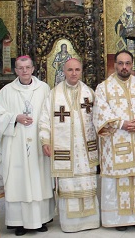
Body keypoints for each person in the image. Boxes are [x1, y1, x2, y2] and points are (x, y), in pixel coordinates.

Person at [93, 50, 135, 230]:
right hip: (116, 139)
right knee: (117, 179)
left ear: (131, 65)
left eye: (127, 63)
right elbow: (100, 111)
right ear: (114, 65)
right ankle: (117, 220)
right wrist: (121, 123)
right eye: (121, 63)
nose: (124, 67)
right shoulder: (104, 87)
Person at [0, 56, 55, 236]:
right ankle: (19, 223)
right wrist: (15, 118)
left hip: (37, 143)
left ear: (33, 69)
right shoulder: (6, 91)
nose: (24, 71)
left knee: (39, 179)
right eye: (20, 68)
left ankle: (41, 219)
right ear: (16, 70)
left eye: (27, 67)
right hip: (16, 144)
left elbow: (50, 113)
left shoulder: (43, 89)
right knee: (18, 181)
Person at [39, 58, 99, 232]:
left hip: (85, 148)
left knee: (87, 182)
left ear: (81, 71)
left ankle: (90, 221)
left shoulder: (89, 93)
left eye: (77, 70)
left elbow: (98, 119)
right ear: (63, 71)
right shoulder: (53, 94)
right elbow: (44, 120)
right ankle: (70, 224)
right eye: (70, 70)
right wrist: (45, 140)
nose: (74, 73)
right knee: (68, 183)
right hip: (65, 148)